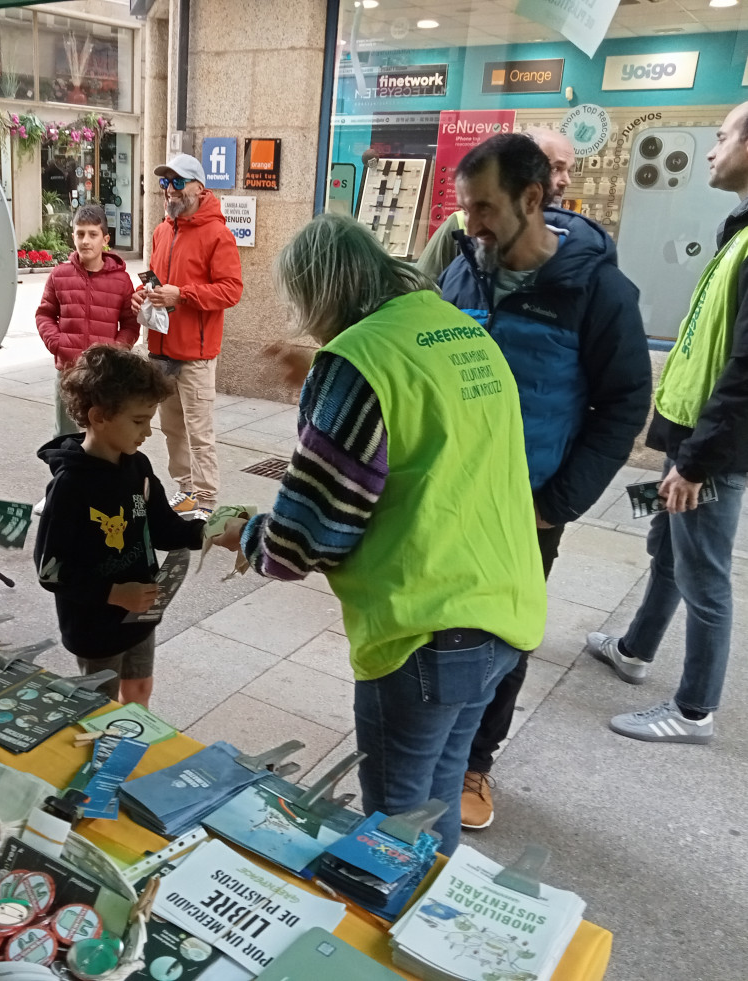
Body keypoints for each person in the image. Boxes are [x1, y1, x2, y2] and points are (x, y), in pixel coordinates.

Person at [213, 214, 547, 854]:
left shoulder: (355, 363)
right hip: (506, 609)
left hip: (427, 631)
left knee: (394, 824)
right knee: (435, 799)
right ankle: (429, 927)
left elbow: (308, 538)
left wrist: (244, 533)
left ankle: (394, 939)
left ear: (316, 295)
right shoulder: (454, 329)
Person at [439, 133, 651, 831]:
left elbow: (623, 404)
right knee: (435, 622)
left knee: (500, 636)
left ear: (533, 199)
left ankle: (475, 759)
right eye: (465, 207)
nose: (470, 224)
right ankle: (433, 743)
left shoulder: (597, 288)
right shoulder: (463, 269)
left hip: (527, 508)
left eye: (483, 208)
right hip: (445, 497)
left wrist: (553, 505)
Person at [586, 101, 748, 744]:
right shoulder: (737, 231)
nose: (711, 151)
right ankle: (634, 649)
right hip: (687, 437)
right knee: (664, 547)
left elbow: (746, 370)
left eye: (723, 137)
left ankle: (693, 711)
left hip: (710, 451)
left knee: (705, 572)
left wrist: (694, 463)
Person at [34, 345, 206, 707]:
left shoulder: (137, 465)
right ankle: (101, 757)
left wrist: (211, 530)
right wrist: (113, 593)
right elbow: (51, 571)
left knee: (140, 689)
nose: (148, 432)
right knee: (99, 703)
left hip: (140, 613)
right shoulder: (70, 486)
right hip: (95, 624)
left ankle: (132, 744)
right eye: (139, 421)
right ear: (99, 417)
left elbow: (164, 527)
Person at [131, 153, 243, 517]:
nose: (170, 190)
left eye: (178, 182)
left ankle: (207, 499)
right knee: (172, 430)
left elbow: (231, 290)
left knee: (199, 433)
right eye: (165, 183)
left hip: (196, 354)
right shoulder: (162, 230)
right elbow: (155, 278)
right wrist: (144, 296)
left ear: (199, 187)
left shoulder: (218, 234)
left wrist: (184, 294)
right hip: (161, 350)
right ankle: (186, 490)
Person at [417, 128, 576, 282]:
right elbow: (420, 293)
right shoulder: (458, 240)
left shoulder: (580, 257)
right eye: (555, 168)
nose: (566, 181)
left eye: (569, 171)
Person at [37, 203, 139, 440]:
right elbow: (44, 314)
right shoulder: (59, 275)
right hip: (68, 372)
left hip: (104, 375)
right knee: (66, 438)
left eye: (93, 234)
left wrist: (114, 351)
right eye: (80, 234)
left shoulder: (121, 280)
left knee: (104, 437)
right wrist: (57, 344)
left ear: (105, 239)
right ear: (73, 236)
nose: (85, 241)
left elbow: (131, 324)